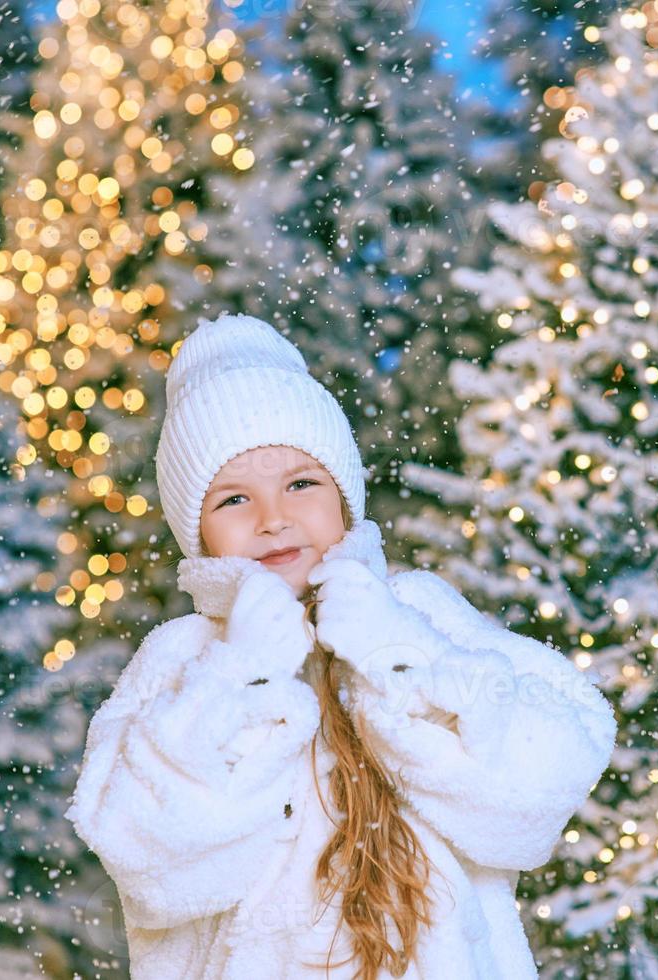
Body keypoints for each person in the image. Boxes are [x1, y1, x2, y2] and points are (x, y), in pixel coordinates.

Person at [64, 313, 617, 979]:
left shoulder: (418, 613)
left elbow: (536, 793)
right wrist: (242, 675)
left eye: (301, 484)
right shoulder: (180, 661)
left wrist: (397, 651)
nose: (273, 518)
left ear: (344, 497)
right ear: (198, 531)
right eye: (234, 499)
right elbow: (152, 866)